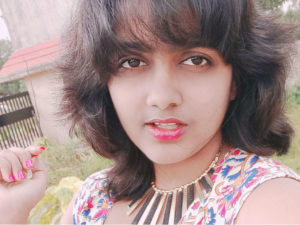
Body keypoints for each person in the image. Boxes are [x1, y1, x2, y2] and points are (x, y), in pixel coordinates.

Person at [1, 0, 300, 224]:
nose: (162, 97)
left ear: (236, 78)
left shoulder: (271, 204)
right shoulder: (92, 202)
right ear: (103, 80)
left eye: (196, 60)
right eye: (131, 62)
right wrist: (12, 213)